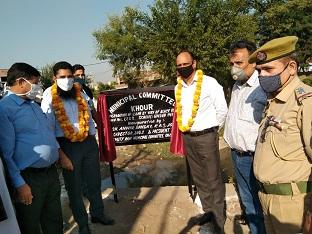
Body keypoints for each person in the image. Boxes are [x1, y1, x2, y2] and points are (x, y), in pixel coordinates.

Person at [41, 61, 114, 234]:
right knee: (74, 188)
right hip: (67, 145)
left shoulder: (79, 90)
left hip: (88, 142)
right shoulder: (49, 95)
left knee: (94, 181)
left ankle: (97, 213)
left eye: (69, 76)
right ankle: (82, 224)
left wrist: (94, 134)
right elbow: (48, 128)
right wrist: (61, 154)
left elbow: (89, 112)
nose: (67, 80)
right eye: (62, 77)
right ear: (54, 78)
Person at [249, 36, 312, 234]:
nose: (262, 76)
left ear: (291, 67)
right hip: (267, 200)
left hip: (292, 205)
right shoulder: (274, 101)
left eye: (269, 70)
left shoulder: (305, 101)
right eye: (259, 71)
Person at [0, 63, 63, 234]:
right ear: (21, 82)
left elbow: (48, 135)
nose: (38, 87)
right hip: (29, 179)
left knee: (55, 220)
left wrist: (59, 155)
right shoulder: (4, 109)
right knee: (31, 224)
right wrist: (20, 184)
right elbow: (6, 154)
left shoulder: (34, 105)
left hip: (50, 174)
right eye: (35, 82)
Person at [174, 50, 228, 233]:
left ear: (194, 63)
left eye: (185, 64)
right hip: (187, 137)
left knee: (213, 180)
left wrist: (212, 130)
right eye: (179, 65)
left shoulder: (209, 83)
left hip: (206, 137)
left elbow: (222, 110)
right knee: (200, 180)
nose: (183, 68)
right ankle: (208, 213)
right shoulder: (178, 87)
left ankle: (219, 222)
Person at [223, 40, 266, 233]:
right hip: (236, 155)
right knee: (249, 202)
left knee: (262, 205)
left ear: (254, 62)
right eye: (232, 63)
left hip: (255, 157)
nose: (234, 68)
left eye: (239, 63)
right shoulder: (236, 86)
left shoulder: (263, 87)